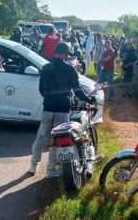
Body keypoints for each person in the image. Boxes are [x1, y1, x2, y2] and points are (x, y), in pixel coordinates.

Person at [29, 42, 96, 177]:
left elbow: (41, 89)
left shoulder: (46, 67)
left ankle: (33, 166)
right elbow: (77, 90)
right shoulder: (69, 69)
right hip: (62, 109)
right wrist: (89, 99)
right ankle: (51, 171)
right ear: (65, 54)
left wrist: (49, 98)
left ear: (55, 52)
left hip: (47, 108)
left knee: (41, 137)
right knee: (56, 141)